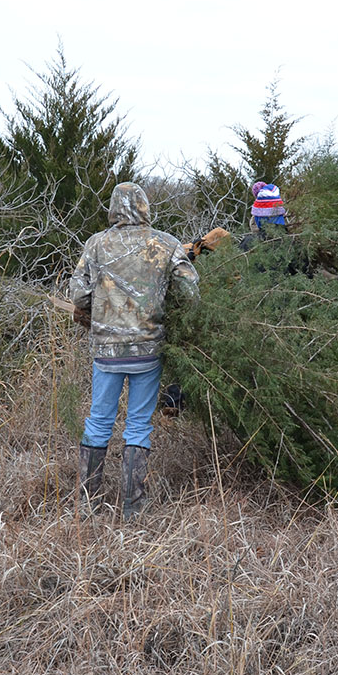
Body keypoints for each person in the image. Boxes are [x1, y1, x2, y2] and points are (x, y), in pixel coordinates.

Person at [69, 181, 199, 520]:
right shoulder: (166, 243)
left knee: (99, 422)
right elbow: (190, 294)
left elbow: (78, 295)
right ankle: (133, 509)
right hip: (148, 351)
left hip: (107, 353)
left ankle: (87, 506)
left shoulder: (96, 244)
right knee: (138, 426)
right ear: (144, 207)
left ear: (113, 208)